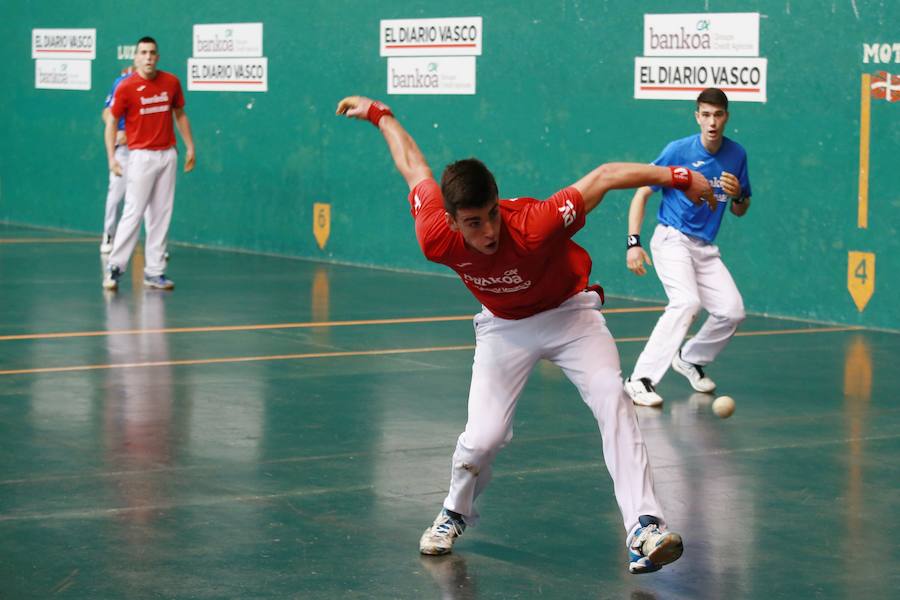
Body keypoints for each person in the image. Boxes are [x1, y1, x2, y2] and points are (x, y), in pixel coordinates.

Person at [336, 95, 716, 574]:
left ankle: (644, 528)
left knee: (612, 399)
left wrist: (679, 176)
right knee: (483, 439)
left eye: (491, 214)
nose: (489, 231)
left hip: (569, 314)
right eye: (473, 223)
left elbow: (603, 177)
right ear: (452, 221)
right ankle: (454, 511)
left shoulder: (533, 224)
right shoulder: (435, 234)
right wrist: (380, 115)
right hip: (503, 326)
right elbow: (414, 168)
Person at [623, 88, 752, 407]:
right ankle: (639, 379)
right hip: (672, 238)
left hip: (704, 247)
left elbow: (740, 209)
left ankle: (690, 358)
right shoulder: (678, 151)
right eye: (706, 115)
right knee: (686, 302)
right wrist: (633, 243)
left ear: (726, 117)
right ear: (697, 117)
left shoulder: (737, 155)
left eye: (718, 115)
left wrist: (738, 195)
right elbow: (642, 193)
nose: (712, 122)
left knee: (732, 311)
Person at [103, 36, 195, 291]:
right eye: (143, 53)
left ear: (158, 56)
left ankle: (155, 272)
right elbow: (111, 122)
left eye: (152, 53)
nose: (148, 57)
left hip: (167, 155)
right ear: (136, 57)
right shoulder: (126, 87)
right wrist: (111, 158)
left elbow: (180, 114)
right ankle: (115, 268)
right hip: (141, 156)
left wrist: (190, 146)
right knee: (133, 212)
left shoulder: (171, 82)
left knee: (161, 215)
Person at [100, 65, 135, 254]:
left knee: (150, 200)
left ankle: (155, 247)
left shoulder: (156, 87)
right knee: (115, 194)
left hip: (146, 149)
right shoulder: (120, 83)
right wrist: (117, 129)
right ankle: (109, 234)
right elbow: (106, 112)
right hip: (123, 151)